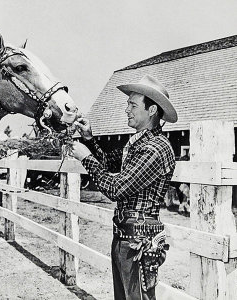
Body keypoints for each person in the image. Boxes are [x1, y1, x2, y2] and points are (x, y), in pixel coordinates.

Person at [69, 75, 178, 300]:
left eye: (132, 105)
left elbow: (116, 188)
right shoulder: (139, 143)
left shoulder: (156, 149)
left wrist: (85, 157)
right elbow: (107, 163)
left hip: (139, 240)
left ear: (152, 110)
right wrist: (89, 139)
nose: (126, 109)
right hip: (125, 236)